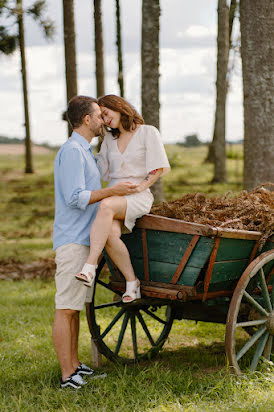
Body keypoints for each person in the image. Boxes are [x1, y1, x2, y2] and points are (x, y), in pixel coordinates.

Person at [52, 95, 139, 389]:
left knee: (75, 308)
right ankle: (67, 377)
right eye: (98, 116)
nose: (103, 121)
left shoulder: (84, 151)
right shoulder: (73, 152)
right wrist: (112, 191)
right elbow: (75, 198)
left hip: (83, 238)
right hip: (73, 240)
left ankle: (75, 366)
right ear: (87, 120)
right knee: (66, 308)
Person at [75, 94, 170, 302]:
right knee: (109, 233)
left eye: (106, 114)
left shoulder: (147, 132)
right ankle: (131, 282)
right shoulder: (109, 139)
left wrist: (139, 187)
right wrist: (83, 153)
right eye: (101, 117)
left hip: (137, 195)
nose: (106, 120)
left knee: (106, 205)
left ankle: (90, 265)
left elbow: (157, 168)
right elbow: (103, 172)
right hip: (114, 193)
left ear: (119, 107)